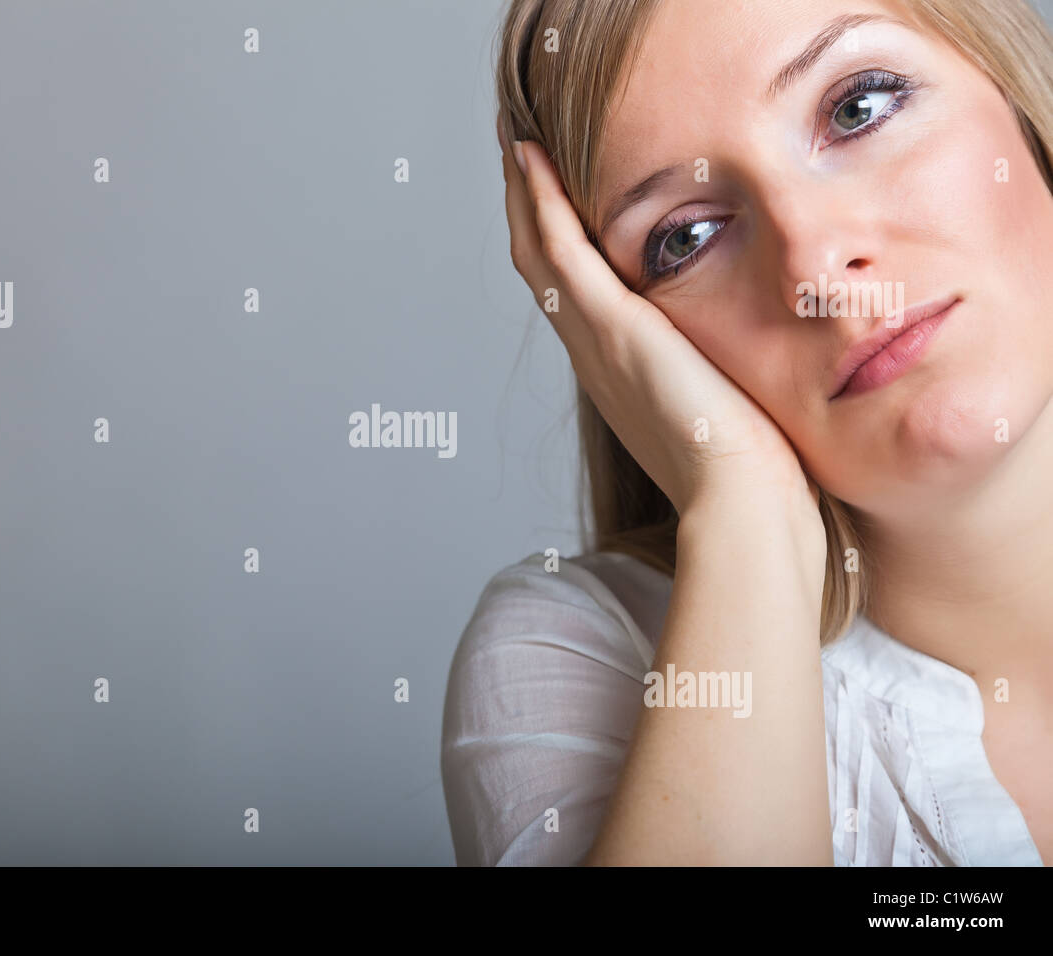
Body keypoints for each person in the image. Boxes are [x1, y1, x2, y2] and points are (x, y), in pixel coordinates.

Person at [441, 0, 1053, 866]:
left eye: (859, 108)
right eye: (684, 238)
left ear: (1014, 93)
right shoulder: (581, 652)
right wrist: (744, 511)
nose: (814, 267)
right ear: (618, 331)